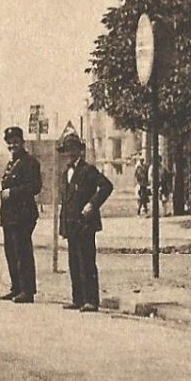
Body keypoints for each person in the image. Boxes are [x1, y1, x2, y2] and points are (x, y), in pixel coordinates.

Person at [58, 133, 115, 312]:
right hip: (71, 223)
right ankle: (78, 298)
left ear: (80, 151)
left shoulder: (88, 170)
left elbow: (107, 186)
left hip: (85, 223)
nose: (69, 153)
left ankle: (91, 300)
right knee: (73, 261)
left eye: (73, 149)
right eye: (67, 150)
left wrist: (92, 204)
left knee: (86, 261)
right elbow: (66, 201)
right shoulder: (65, 173)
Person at [0, 126, 42, 303]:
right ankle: (16, 287)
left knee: (22, 251)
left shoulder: (29, 162)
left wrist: (13, 192)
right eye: (9, 143)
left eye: (15, 142)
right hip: (10, 216)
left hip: (23, 214)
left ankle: (27, 290)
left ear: (22, 142)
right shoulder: (12, 163)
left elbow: (35, 186)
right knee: (11, 252)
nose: (12, 146)